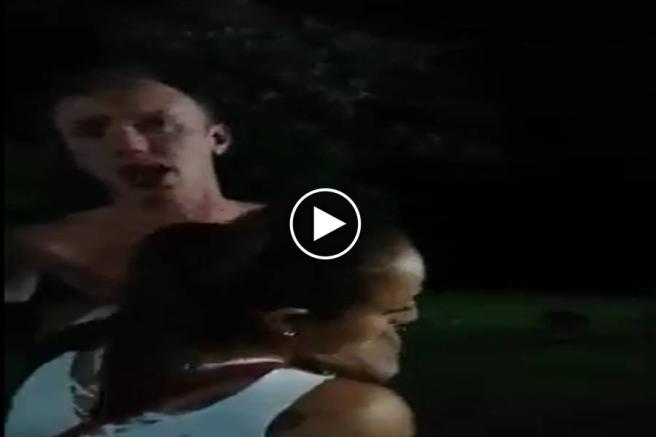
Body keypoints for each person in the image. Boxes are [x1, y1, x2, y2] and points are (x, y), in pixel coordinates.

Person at [6, 208, 425, 436]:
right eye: (391, 311)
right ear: (289, 321)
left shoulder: (55, 372)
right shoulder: (346, 414)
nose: (411, 318)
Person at [5, 68, 261, 332]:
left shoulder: (282, 231)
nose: (129, 145)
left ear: (217, 138)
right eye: (92, 131)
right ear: (74, 154)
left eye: (157, 124)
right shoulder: (38, 251)